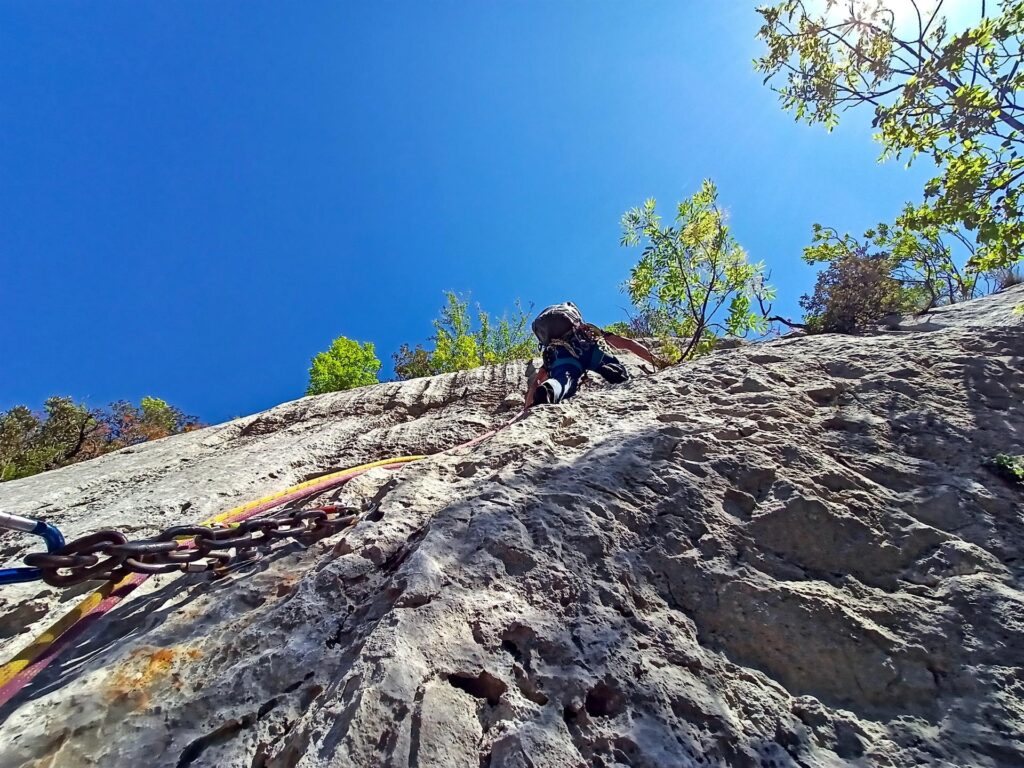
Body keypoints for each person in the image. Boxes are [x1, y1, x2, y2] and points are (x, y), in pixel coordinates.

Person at [525, 302, 662, 406]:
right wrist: (659, 362)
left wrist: (527, 407)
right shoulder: (587, 330)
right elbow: (628, 344)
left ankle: (550, 388)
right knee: (605, 361)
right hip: (585, 346)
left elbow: (536, 383)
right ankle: (612, 369)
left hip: (561, 355)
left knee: (563, 380)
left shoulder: (551, 349)